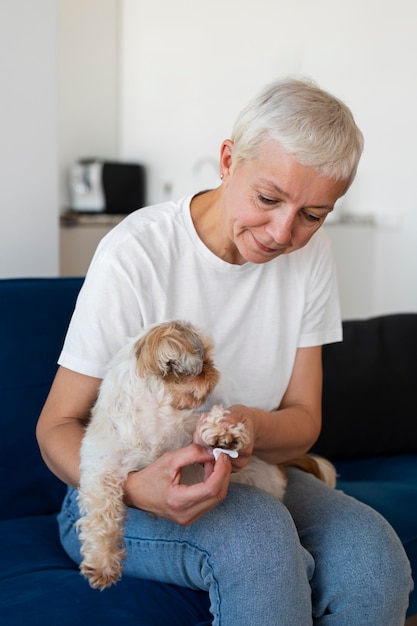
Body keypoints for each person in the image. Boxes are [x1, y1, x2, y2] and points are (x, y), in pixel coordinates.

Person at [36, 78, 413, 625]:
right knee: (260, 541)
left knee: (374, 560)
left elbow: (304, 421)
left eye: (313, 214)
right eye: (268, 198)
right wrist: (138, 487)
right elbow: (56, 428)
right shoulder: (136, 251)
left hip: (247, 471)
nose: (284, 232)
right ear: (228, 160)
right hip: (112, 490)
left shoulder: (312, 258)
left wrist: (252, 427)